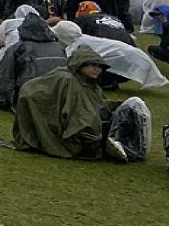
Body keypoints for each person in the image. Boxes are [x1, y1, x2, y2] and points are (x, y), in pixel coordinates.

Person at [11, 45, 150, 161]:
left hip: (81, 129)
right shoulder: (69, 81)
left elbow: (96, 105)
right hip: (69, 135)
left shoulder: (88, 82)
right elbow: (81, 118)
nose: (97, 69)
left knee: (133, 107)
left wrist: (118, 106)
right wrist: (96, 142)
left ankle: (128, 148)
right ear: (80, 64)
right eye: (93, 65)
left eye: (100, 66)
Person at [0, 12, 66, 110]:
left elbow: (5, 73)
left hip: (31, 93)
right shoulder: (58, 47)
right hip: (58, 94)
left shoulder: (20, 47)